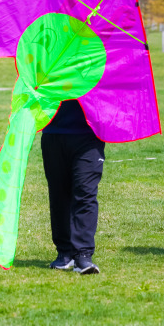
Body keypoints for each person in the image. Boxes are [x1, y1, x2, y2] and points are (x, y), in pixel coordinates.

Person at [41, 99, 105, 275]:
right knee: (59, 195)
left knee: (85, 192)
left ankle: (83, 255)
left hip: (89, 135)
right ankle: (64, 252)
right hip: (54, 132)